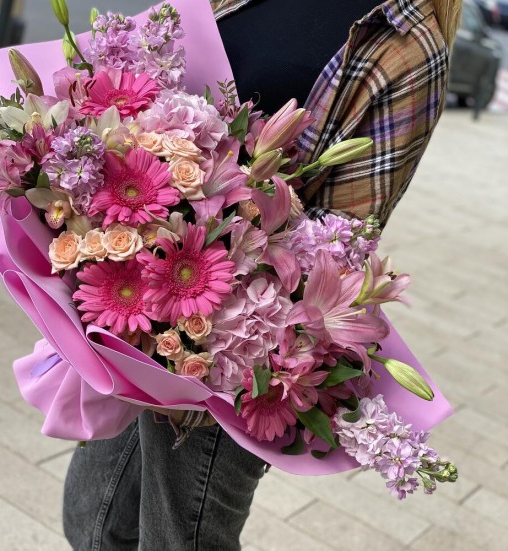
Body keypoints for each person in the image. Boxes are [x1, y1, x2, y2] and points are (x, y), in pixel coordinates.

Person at [63, 1, 462, 549]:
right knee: (94, 520)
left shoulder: (403, 41)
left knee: (180, 539)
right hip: (141, 295)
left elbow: (341, 238)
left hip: (240, 336)